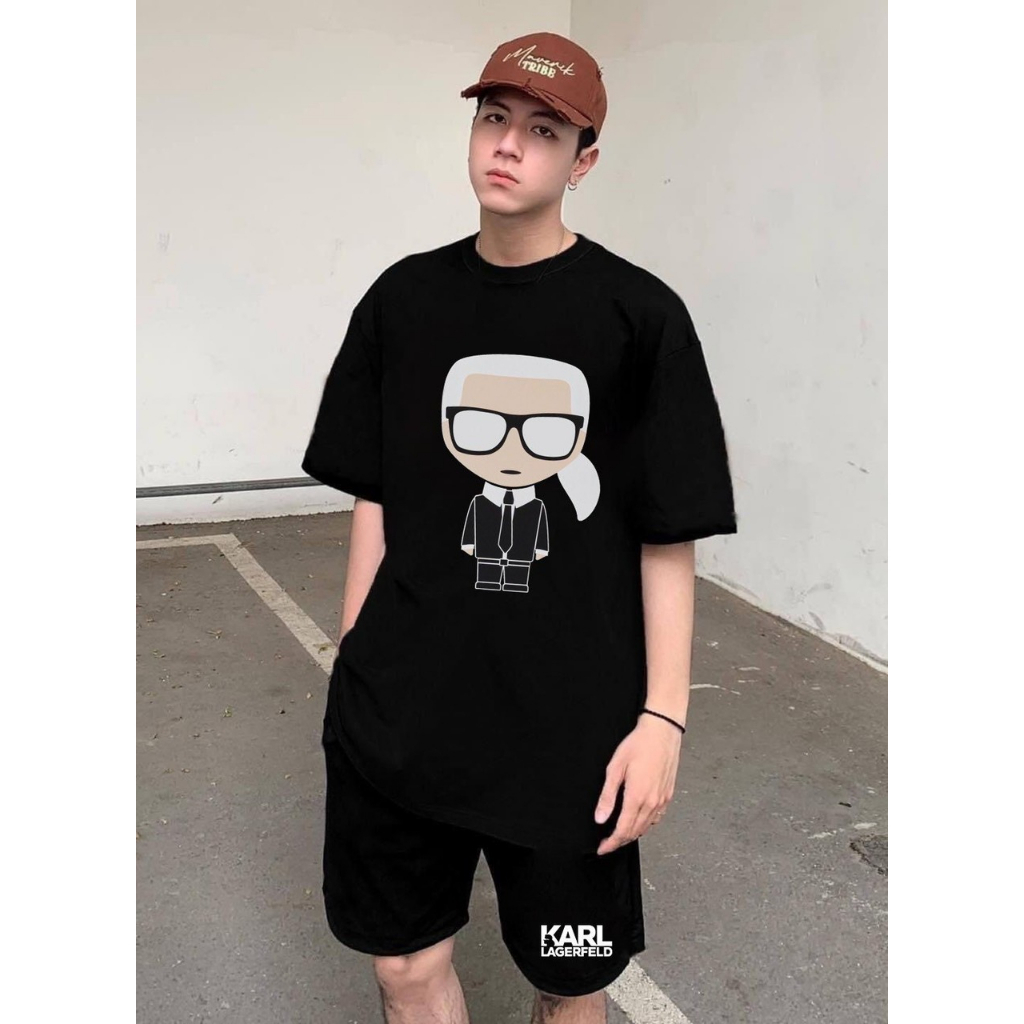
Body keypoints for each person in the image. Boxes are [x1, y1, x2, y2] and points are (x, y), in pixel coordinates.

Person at [302, 30, 738, 1024]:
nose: (508, 144)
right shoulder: (402, 302)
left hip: (569, 732)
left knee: (570, 983)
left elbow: (666, 533)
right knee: (404, 969)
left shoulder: (640, 319)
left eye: (544, 131)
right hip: (403, 715)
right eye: (494, 118)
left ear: (583, 162)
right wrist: (354, 661)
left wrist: (662, 720)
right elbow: (377, 495)